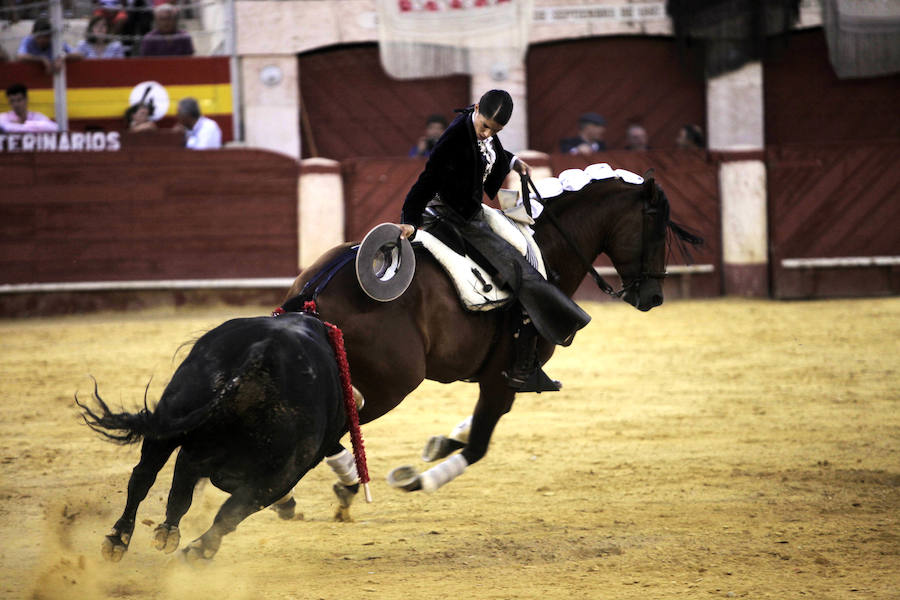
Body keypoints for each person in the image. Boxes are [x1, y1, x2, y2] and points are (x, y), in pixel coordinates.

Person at [399, 89, 591, 392]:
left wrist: (513, 161)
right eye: (485, 125)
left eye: (495, 130)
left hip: (473, 211)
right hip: (453, 216)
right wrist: (410, 220)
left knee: (527, 249)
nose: (487, 132)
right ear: (476, 109)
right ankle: (523, 364)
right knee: (516, 272)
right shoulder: (453, 139)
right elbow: (427, 180)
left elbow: (491, 151)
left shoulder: (485, 132)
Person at [16, 17, 82, 74]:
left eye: (46, 37)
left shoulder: (56, 42)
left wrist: (63, 57)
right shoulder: (28, 40)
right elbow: (20, 57)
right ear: (33, 34)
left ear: (51, 36)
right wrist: (41, 59)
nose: (42, 40)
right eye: (39, 37)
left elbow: (79, 55)